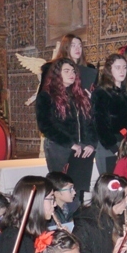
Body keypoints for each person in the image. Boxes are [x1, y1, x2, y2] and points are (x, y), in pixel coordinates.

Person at [36, 57, 96, 194]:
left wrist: (91, 143)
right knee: (61, 189)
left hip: (83, 148)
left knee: (78, 190)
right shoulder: (46, 96)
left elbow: (91, 122)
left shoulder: (80, 96)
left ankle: (76, 215)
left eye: (73, 71)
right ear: (57, 74)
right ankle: (60, 215)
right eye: (67, 71)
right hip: (60, 147)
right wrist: (70, 143)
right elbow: (45, 126)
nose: (72, 74)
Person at [0, 176, 56, 253]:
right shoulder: (13, 238)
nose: (54, 204)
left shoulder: (38, 229)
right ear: (36, 201)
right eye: (51, 198)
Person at [93, 53, 127, 175]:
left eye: (124, 67)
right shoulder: (101, 92)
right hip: (108, 146)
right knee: (111, 186)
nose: (122, 71)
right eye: (118, 67)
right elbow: (100, 124)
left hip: (126, 144)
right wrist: (114, 148)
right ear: (109, 70)